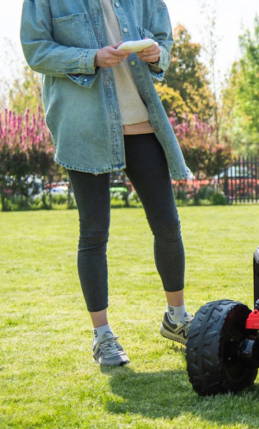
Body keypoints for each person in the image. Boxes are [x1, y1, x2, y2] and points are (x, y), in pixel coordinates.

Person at [21, 0, 193, 366]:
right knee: (95, 231)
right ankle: (102, 336)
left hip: (143, 123)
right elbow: (36, 51)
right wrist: (90, 58)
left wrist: (155, 52)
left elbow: (164, 41)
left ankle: (176, 318)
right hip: (86, 127)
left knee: (167, 223)